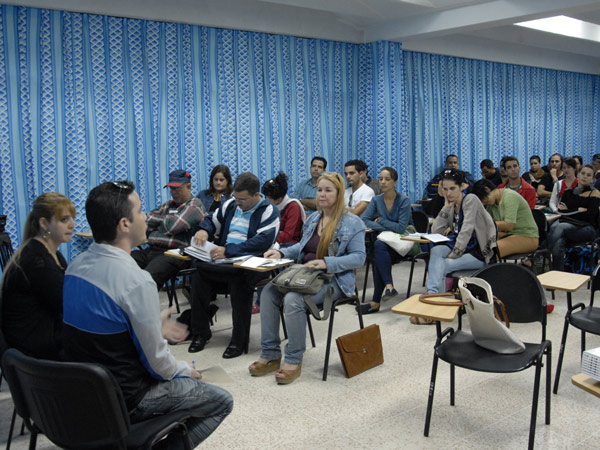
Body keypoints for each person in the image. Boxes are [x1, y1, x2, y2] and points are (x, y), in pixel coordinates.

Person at [62, 181, 232, 448]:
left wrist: (153, 326)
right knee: (222, 401)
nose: (145, 217)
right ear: (124, 225)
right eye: (140, 211)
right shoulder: (136, 282)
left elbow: (105, 329)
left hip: (84, 392)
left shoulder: (75, 267)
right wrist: (186, 369)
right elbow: (160, 367)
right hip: (126, 398)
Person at [248, 172, 366, 384]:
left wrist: (327, 263)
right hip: (307, 275)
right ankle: (271, 353)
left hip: (334, 279)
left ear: (339, 194)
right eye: (320, 190)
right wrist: (282, 253)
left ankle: (293, 358)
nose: (322, 194)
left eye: (328, 190)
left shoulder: (352, 223)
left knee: (293, 299)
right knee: (267, 293)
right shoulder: (313, 219)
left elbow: (359, 258)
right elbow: (301, 247)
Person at [188, 172, 280, 358]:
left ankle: (238, 341)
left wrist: (228, 250)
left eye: (243, 199)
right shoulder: (230, 204)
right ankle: (200, 333)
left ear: (256, 195)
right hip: (225, 262)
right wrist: (204, 231)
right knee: (198, 273)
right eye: (236, 198)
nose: (238, 202)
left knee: (240, 279)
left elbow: (261, 242)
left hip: (251, 264)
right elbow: (211, 220)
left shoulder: (269, 210)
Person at [417, 169, 497, 324]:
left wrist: (454, 254)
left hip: (478, 253)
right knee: (437, 250)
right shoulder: (453, 205)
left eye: (452, 188)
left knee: (442, 265)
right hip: (462, 250)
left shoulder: (470, 199)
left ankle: (434, 306)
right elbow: (436, 230)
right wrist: (446, 207)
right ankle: (435, 297)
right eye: (445, 189)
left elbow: (466, 230)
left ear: (462, 186)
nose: (448, 193)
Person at [1, 193, 75, 360]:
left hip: (38, 340)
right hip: (35, 351)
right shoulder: (38, 262)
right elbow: (69, 306)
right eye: (64, 220)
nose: (72, 224)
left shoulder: (49, 254)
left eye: (72, 218)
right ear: (44, 223)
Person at [131, 169, 206, 290]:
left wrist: (157, 227)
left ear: (188, 186)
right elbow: (145, 219)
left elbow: (173, 226)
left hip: (176, 254)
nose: (173, 192)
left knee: (147, 279)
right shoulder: (168, 204)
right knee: (122, 262)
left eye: (177, 188)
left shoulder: (195, 205)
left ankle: (144, 306)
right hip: (153, 250)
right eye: (171, 189)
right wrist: (166, 222)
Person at [358, 167, 413, 314]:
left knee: (378, 251)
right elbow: (365, 219)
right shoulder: (376, 200)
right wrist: (386, 228)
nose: (382, 182)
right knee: (379, 248)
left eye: (387, 179)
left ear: (395, 182)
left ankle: (376, 302)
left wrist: (381, 220)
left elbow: (401, 229)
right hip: (385, 244)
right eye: (381, 178)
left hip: (404, 243)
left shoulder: (404, 201)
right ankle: (387, 289)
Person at [548, 165, 600, 271]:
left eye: (588, 175)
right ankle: (558, 274)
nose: (585, 177)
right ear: (578, 174)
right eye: (583, 173)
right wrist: (578, 209)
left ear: (593, 179)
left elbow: (590, 216)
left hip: (587, 228)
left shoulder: (595, 193)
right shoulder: (568, 192)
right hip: (568, 225)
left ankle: (543, 252)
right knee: (559, 240)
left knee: (560, 226)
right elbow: (561, 211)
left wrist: (569, 210)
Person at [470, 179, 539, 258]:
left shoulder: (510, 197)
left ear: (487, 189)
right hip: (508, 235)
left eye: (483, 200)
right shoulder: (491, 203)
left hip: (527, 236)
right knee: (477, 244)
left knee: (489, 251)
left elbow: (509, 225)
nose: (483, 203)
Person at [262, 172, 305, 245]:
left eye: (269, 198)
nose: (266, 200)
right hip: (273, 239)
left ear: (279, 199)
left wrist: (265, 238)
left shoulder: (293, 206)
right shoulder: (270, 206)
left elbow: (287, 236)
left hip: (290, 243)